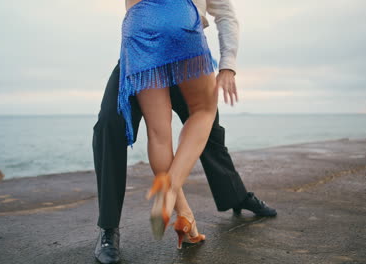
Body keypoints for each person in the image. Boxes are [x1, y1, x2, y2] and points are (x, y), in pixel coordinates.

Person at [93, 0, 276, 263]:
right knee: (111, 122)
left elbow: (224, 13)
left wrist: (228, 64)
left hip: (143, 36)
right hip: (179, 37)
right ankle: (110, 228)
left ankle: (222, 201)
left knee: (180, 132)